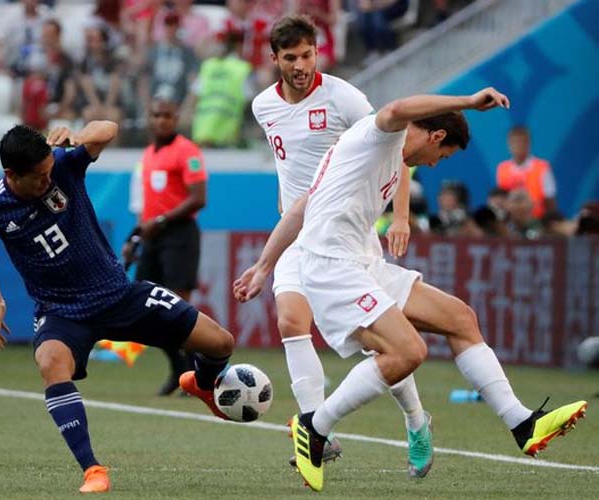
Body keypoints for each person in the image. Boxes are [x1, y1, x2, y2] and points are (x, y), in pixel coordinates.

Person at [234, 87, 587, 491]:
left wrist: (263, 265)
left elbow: (301, 207)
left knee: (460, 319)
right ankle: (315, 427)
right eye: (444, 155)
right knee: (407, 352)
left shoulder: (388, 156)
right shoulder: (380, 134)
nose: (437, 164)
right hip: (331, 267)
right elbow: (398, 108)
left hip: (362, 263)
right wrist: (468, 102)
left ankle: (522, 423)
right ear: (436, 137)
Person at [0, 123, 235, 493]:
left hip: (118, 295)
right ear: (11, 174)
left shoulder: (63, 164)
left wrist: (78, 134)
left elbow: (108, 129)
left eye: (48, 172)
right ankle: (92, 470)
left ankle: (201, 384)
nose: (47, 181)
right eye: (39, 178)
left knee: (221, 343)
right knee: (50, 363)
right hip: (62, 311)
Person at [251, 14, 430, 476]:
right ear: (275, 59)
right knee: (291, 318)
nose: (300, 65)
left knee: (378, 343)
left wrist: (401, 216)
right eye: (290, 58)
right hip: (297, 233)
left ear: (318, 53)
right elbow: (287, 164)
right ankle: (317, 432)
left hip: (348, 234)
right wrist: (285, 206)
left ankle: (415, 420)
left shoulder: (344, 97)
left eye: (307, 55)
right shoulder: (262, 106)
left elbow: (397, 148)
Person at [122, 98, 206, 396]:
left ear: (176, 117)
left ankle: (199, 374)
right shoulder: (147, 155)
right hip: (153, 237)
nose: (162, 121)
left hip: (179, 235)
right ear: (150, 118)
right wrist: (135, 238)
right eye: (156, 115)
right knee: (149, 311)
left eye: (167, 115)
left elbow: (198, 198)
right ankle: (180, 370)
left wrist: (160, 220)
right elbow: (144, 207)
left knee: (179, 310)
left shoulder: (187, 151)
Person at [496, 125, 557, 218]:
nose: (518, 145)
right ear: (508, 144)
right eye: (514, 142)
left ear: (529, 143)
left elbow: (550, 201)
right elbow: (501, 198)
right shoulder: (502, 168)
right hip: (511, 223)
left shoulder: (543, 167)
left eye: (522, 142)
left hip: (538, 221)